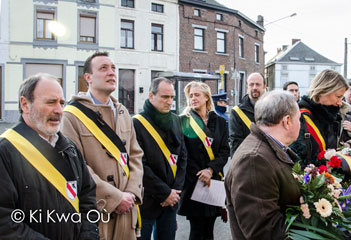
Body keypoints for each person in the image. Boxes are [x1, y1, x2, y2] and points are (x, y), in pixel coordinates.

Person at [0, 74, 98, 239]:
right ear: (25, 104)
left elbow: (87, 198)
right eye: (51, 102)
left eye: (61, 103)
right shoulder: (5, 151)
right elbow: (5, 221)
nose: (59, 110)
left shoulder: (70, 148)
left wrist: (88, 235)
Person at [62, 52, 144, 240]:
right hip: (98, 211)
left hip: (127, 209)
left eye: (113, 68)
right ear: (88, 78)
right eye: (103, 68)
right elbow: (77, 165)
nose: (111, 73)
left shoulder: (123, 112)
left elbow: (136, 156)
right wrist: (115, 198)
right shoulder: (71, 116)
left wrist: (131, 193)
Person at [225, 91, 302, 240]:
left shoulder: (267, 149)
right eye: (299, 119)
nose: (300, 124)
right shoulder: (254, 160)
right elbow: (264, 232)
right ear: (287, 121)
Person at [133, 77, 188, 240]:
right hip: (147, 201)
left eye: (172, 97)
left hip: (170, 202)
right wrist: (165, 193)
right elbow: (139, 165)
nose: (170, 101)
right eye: (165, 97)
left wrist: (175, 191)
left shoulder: (176, 120)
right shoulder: (137, 123)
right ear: (151, 96)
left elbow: (183, 158)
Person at [178, 82, 231, 240]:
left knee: (209, 230)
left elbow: (224, 151)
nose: (193, 98)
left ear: (207, 97)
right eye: (191, 95)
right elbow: (183, 153)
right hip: (194, 181)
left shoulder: (220, 122)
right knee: (196, 230)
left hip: (213, 180)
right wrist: (201, 174)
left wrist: (210, 170)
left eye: (197, 95)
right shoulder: (183, 121)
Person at [291, 70, 351, 165]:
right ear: (323, 91)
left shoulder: (332, 115)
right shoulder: (299, 117)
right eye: (338, 96)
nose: (340, 102)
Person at [229, 73, 265, 154]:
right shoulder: (237, 112)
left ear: (264, 85)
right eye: (251, 84)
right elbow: (235, 143)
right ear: (247, 87)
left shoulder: (273, 108)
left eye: (258, 84)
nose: (254, 87)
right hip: (247, 161)